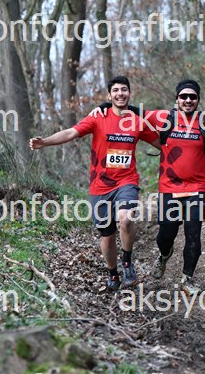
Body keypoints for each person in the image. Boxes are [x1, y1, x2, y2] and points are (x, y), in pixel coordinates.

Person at [89, 79, 205, 295]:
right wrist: (105, 106)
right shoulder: (163, 117)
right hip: (170, 188)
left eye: (192, 97)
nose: (188, 100)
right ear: (177, 99)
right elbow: (131, 110)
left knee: (193, 235)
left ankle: (187, 278)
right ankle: (164, 255)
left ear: (198, 100)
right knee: (165, 236)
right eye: (183, 96)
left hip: (198, 188)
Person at [30, 76, 160, 291]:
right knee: (107, 236)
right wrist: (45, 142)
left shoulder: (137, 121)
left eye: (124, 90)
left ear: (129, 93)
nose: (120, 93)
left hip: (126, 181)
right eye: (116, 90)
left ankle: (127, 262)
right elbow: (71, 132)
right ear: (109, 95)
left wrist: (192, 144)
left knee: (126, 219)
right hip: (100, 186)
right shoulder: (98, 117)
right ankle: (112, 272)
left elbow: (162, 143)